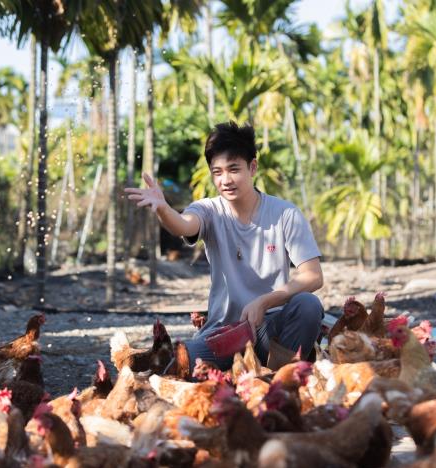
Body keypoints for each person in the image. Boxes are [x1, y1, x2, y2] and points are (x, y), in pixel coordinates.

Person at [124, 121, 324, 371]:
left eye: (233, 169)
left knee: (308, 305)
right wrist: (164, 209)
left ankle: (279, 379)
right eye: (217, 172)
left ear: (252, 167)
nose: (226, 180)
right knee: (175, 368)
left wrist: (265, 301)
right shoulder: (209, 210)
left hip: (270, 332)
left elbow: (313, 276)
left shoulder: (285, 214)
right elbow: (184, 225)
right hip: (224, 335)